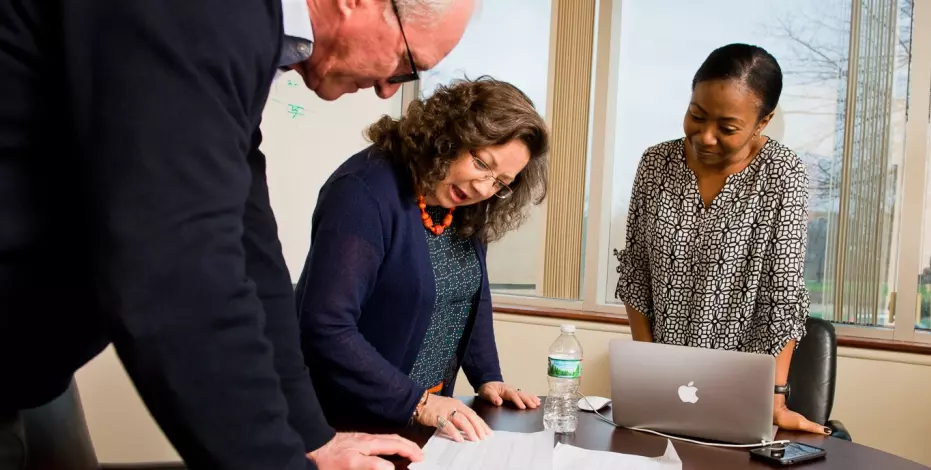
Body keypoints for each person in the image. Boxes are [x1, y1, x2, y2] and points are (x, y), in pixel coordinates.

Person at [0, 0, 476, 469]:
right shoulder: (201, 13)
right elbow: (182, 271)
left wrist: (310, 436)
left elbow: (251, 245)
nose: (387, 86)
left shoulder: (240, 34)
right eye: (406, 62)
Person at [295, 77, 547, 443]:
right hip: (346, 423)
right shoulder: (363, 192)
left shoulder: (462, 204)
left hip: (421, 419)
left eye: (500, 182)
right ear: (449, 135)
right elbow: (325, 327)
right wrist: (417, 401)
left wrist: (488, 376)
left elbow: (469, 294)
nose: (483, 188)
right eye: (481, 162)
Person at [614, 43, 830, 436]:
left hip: (741, 386)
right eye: (696, 115)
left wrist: (776, 398)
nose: (706, 137)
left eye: (727, 128)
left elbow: (782, 293)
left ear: (762, 122)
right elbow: (636, 273)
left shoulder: (783, 174)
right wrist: (647, 370)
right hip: (662, 382)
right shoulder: (655, 164)